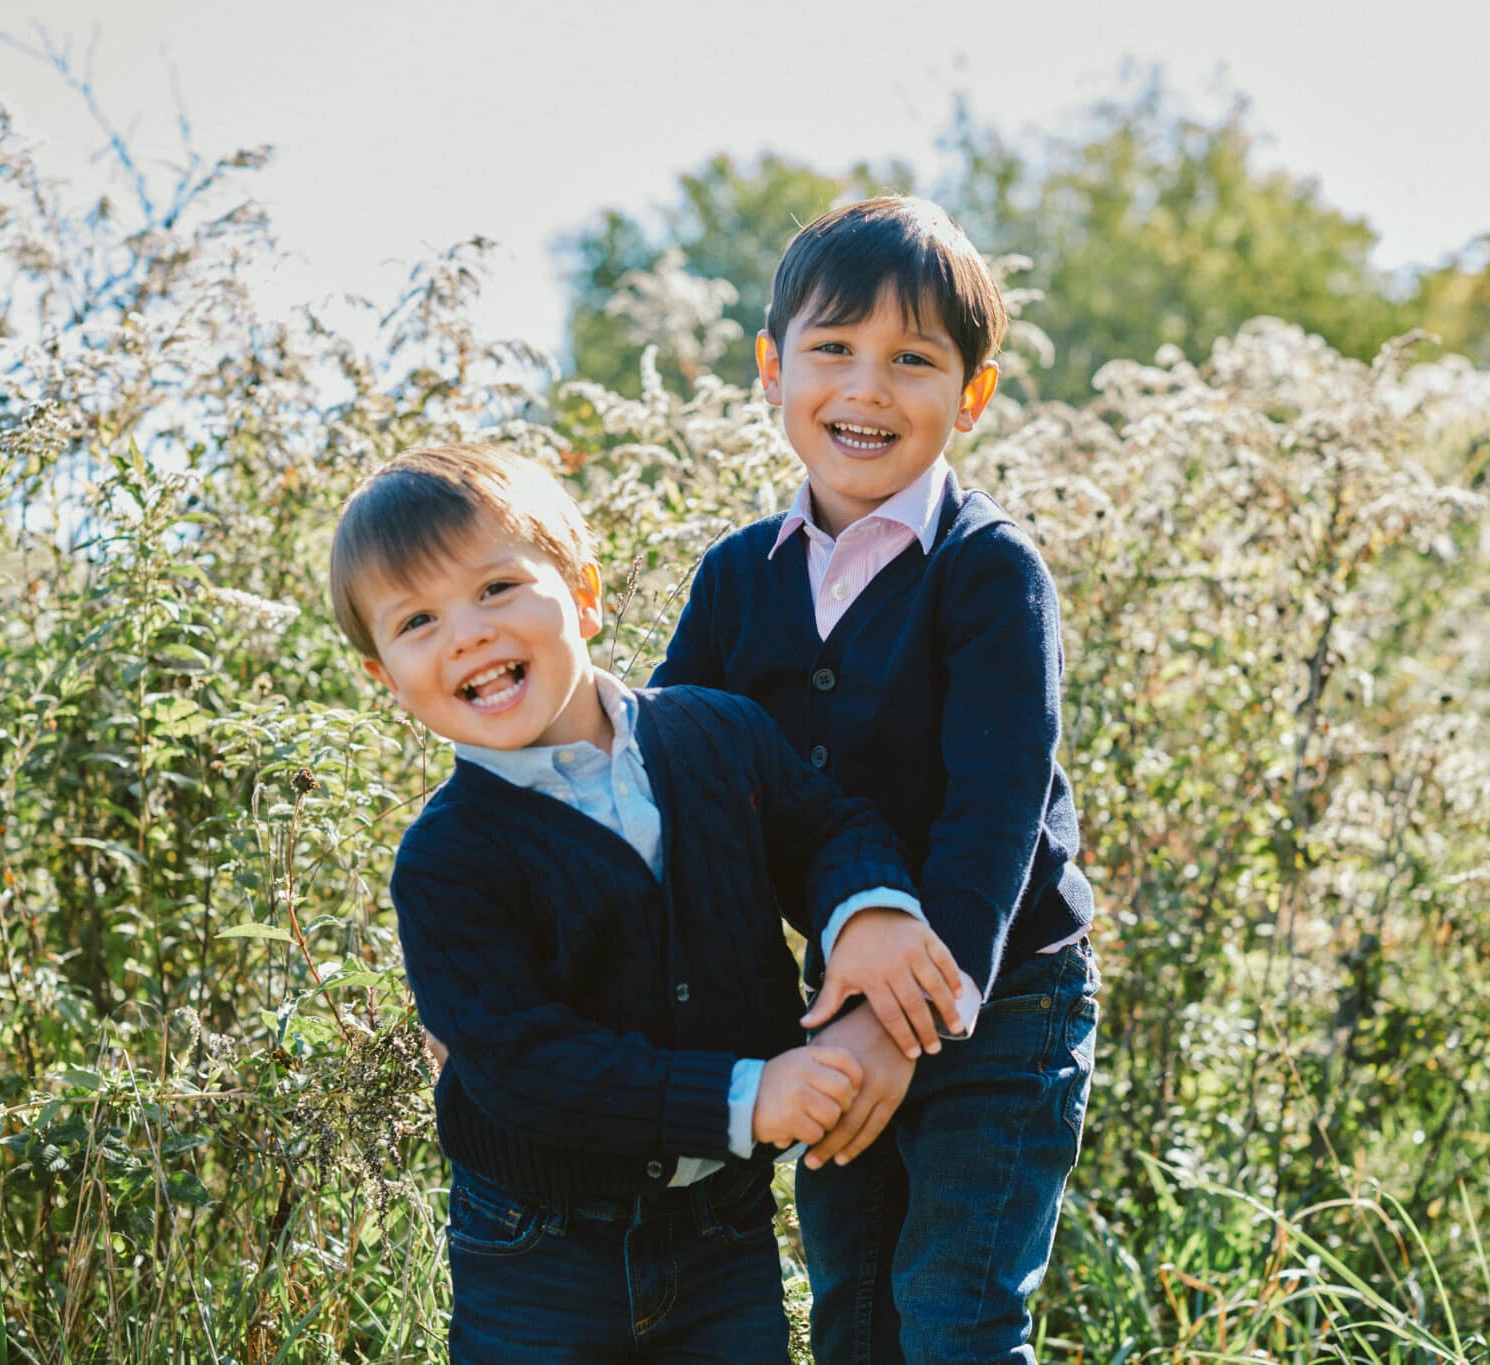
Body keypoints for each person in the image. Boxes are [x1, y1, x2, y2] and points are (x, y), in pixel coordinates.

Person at [329, 441, 965, 1362]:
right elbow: (523, 1062)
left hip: (721, 1237)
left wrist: (866, 909)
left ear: (584, 594)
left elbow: (824, 826)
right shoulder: (449, 857)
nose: (466, 632)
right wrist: (742, 1095)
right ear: (387, 678)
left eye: (497, 588)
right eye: (418, 620)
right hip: (537, 1255)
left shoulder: (716, 734)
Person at [651, 195, 1100, 1364]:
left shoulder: (988, 572)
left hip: (1002, 1003)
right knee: (852, 1312)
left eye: (912, 361)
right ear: (770, 369)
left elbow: (994, 812)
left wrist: (907, 1028)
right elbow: (670, 770)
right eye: (833, 351)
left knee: (955, 1309)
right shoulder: (736, 579)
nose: (866, 390)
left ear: (971, 394)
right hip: (833, 996)